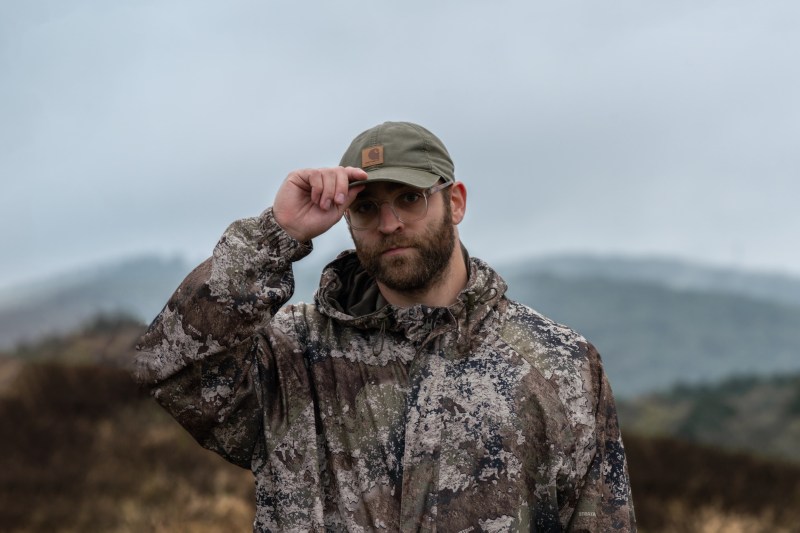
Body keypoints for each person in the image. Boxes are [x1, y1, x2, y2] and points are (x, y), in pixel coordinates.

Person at [135, 121, 636, 532]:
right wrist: (276, 234)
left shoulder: (559, 364)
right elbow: (172, 366)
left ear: (455, 202)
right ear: (346, 219)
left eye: (410, 198)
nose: (389, 223)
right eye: (367, 206)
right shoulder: (294, 354)